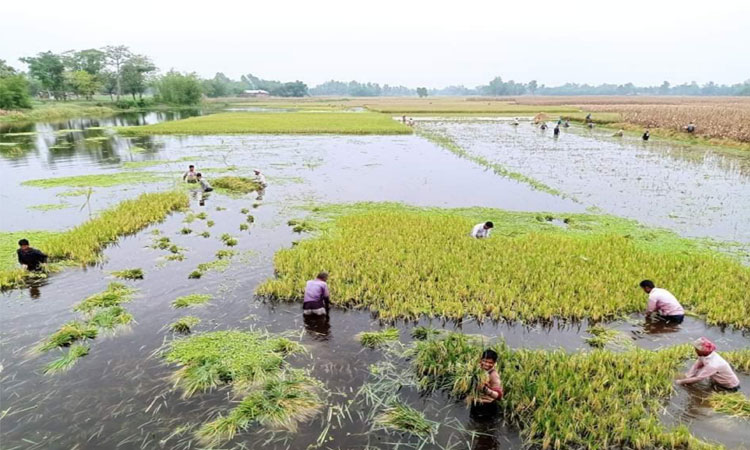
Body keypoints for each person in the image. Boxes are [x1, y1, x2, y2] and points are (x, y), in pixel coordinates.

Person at [676, 338, 740, 392]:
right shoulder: (705, 354)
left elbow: (698, 378)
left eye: (697, 349)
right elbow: (697, 364)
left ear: (703, 351)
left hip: (729, 387)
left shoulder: (713, 364)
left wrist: (679, 382)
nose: (695, 350)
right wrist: (688, 376)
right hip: (717, 381)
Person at [471, 349, 504, 419]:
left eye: (490, 362)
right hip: (475, 402)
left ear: (494, 363)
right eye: (485, 361)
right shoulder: (476, 371)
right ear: (481, 360)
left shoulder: (493, 375)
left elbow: (499, 395)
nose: (487, 364)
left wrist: (485, 389)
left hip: (487, 405)